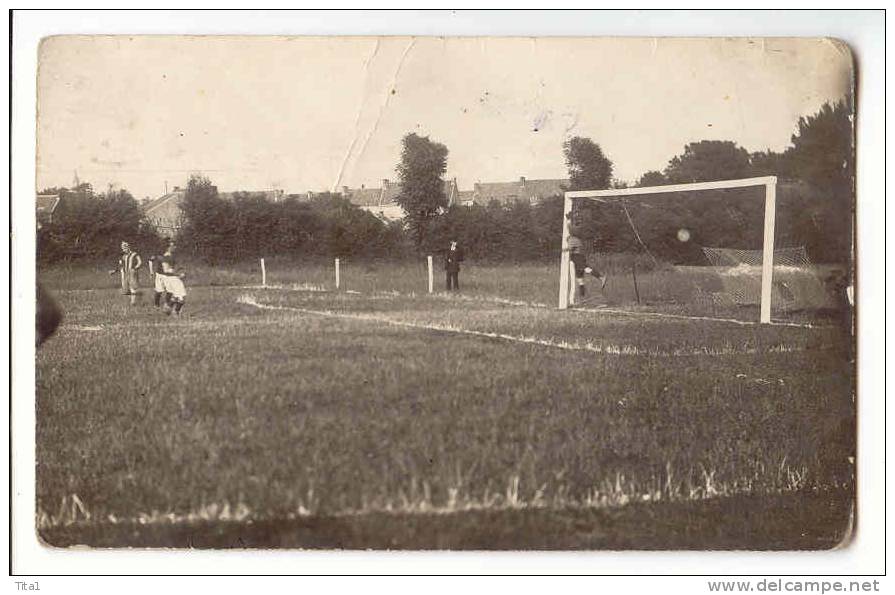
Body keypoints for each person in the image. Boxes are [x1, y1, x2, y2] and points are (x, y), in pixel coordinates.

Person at [562, 232, 606, 299]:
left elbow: (571, 248)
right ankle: (582, 295)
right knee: (579, 278)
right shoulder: (576, 239)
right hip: (577, 257)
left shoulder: (573, 239)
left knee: (585, 269)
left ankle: (601, 277)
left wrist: (564, 250)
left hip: (577, 257)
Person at [157, 242, 187, 315]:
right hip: (173, 279)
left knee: (176, 296)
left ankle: (168, 309)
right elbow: (166, 270)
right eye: (173, 245)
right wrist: (179, 274)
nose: (175, 247)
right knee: (182, 298)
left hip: (172, 279)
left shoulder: (171, 256)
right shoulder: (166, 257)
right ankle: (175, 312)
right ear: (168, 247)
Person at [109, 241, 143, 305]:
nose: (124, 250)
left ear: (128, 247)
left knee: (132, 287)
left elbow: (140, 262)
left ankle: (133, 302)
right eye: (123, 248)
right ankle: (133, 300)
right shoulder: (123, 256)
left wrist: (135, 268)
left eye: (125, 248)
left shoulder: (134, 254)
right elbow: (121, 265)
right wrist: (114, 271)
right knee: (126, 289)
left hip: (132, 272)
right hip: (125, 273)